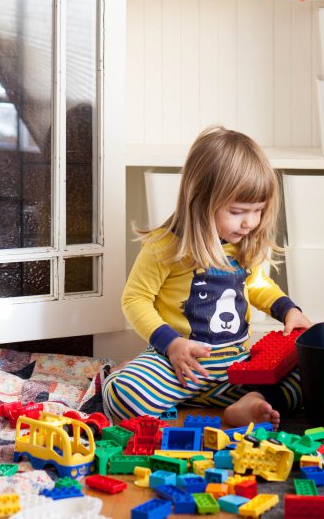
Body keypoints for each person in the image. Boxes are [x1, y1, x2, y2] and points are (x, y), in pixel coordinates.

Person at [102, 126, 311, 428]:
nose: (250, 222)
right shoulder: (165, 245)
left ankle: (248, 403)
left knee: (309, 379)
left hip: (234, 365)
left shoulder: (242, 243)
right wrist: (171, 344)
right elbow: (135, 299)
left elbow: (256, 285)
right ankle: (153, 381)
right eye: (238, 211)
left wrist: (288, 309)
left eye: (258, 211)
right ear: (200, 201)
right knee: (123, 395)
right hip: (176, 362)